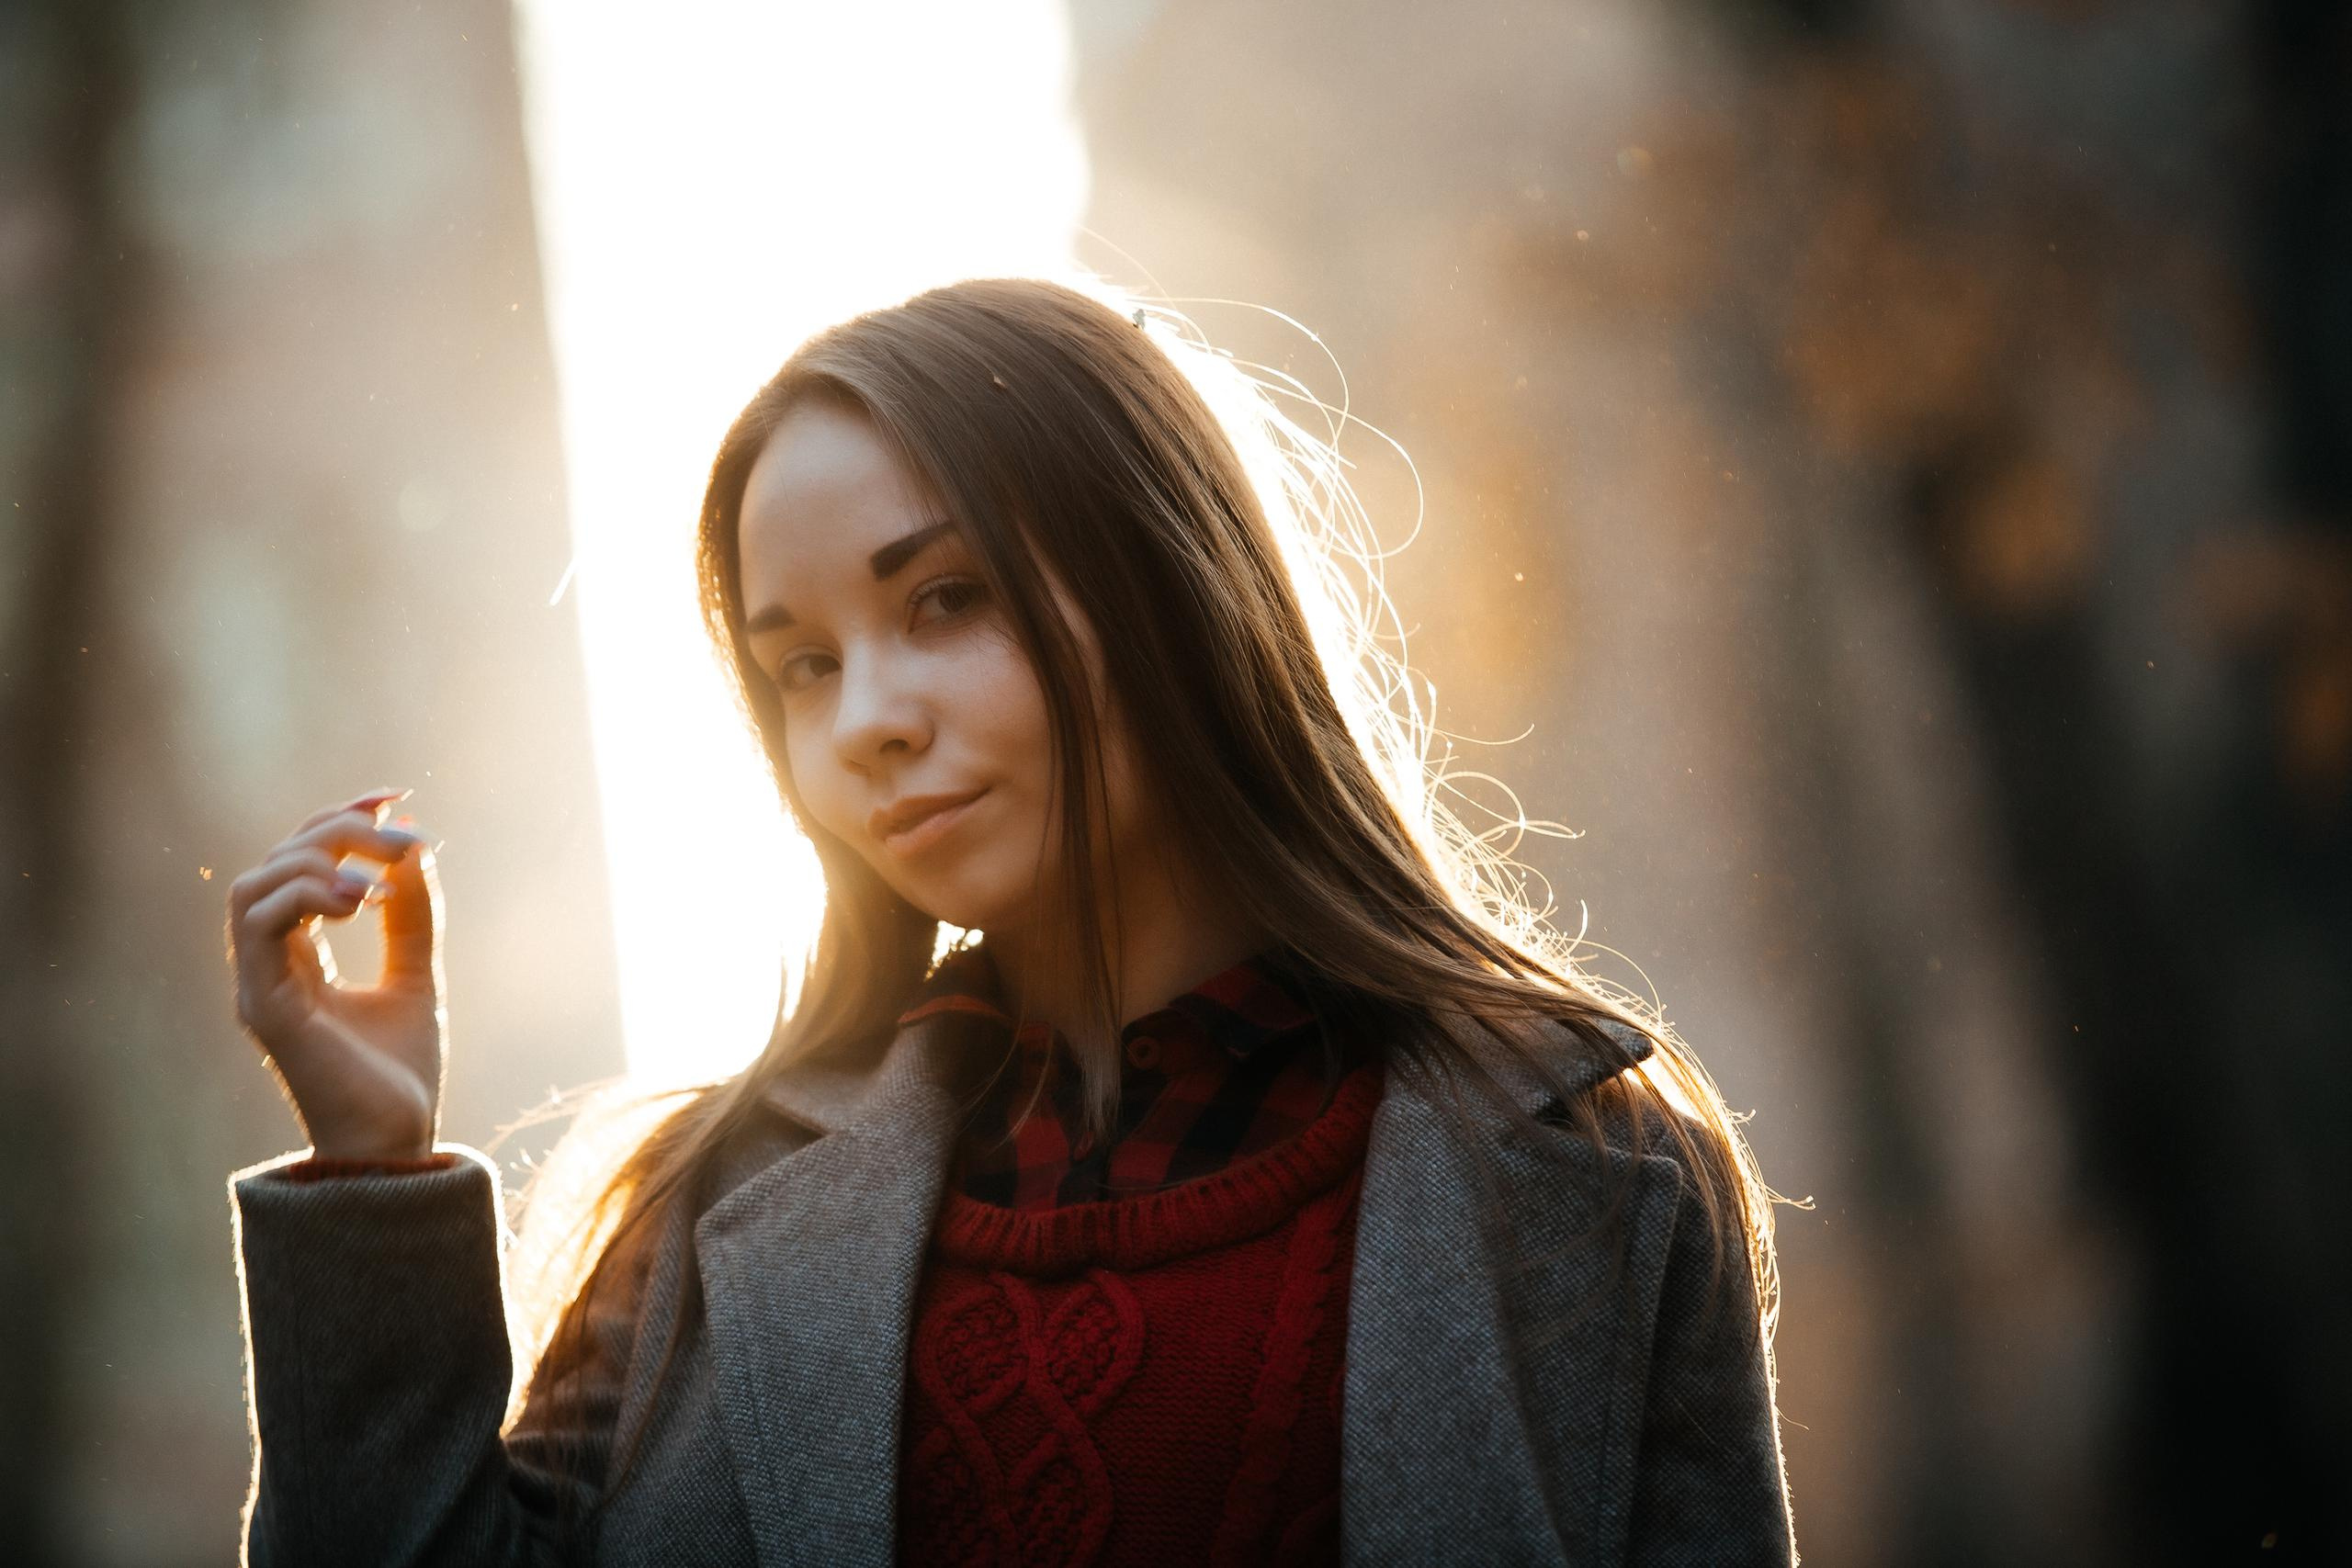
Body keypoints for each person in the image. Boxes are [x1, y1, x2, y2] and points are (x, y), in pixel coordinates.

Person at [222, 276, 1796, 1566]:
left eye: (944, 600)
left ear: (1171, 584)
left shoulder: (1590, 1165)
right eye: (803, 666)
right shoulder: (710, 1218)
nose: (867, 720)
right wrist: (370, 1176)